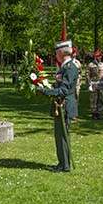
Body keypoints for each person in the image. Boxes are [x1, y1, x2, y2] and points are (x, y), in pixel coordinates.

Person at [38, 40, 79, 172]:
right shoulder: (64, 67)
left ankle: (64, 165)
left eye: (56, 52)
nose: (56, 55)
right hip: (60, 105)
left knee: (62, 136)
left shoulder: (70, 68)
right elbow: (60, 86)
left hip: (64, 106)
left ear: (61, 52)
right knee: (60, 136)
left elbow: (64, 90)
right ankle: (62, 163)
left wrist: (45, 91)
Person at [86, 49, 103, 120]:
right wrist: (89, 84)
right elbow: (87, 75)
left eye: (100, 56)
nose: (99, 57)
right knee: (93, 99)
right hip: (93, 83)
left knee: (101, 99)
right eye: (97, 56)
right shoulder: (90, 65)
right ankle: (93, 113)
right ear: (95, 56)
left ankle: (99, 112)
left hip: (101, 84)